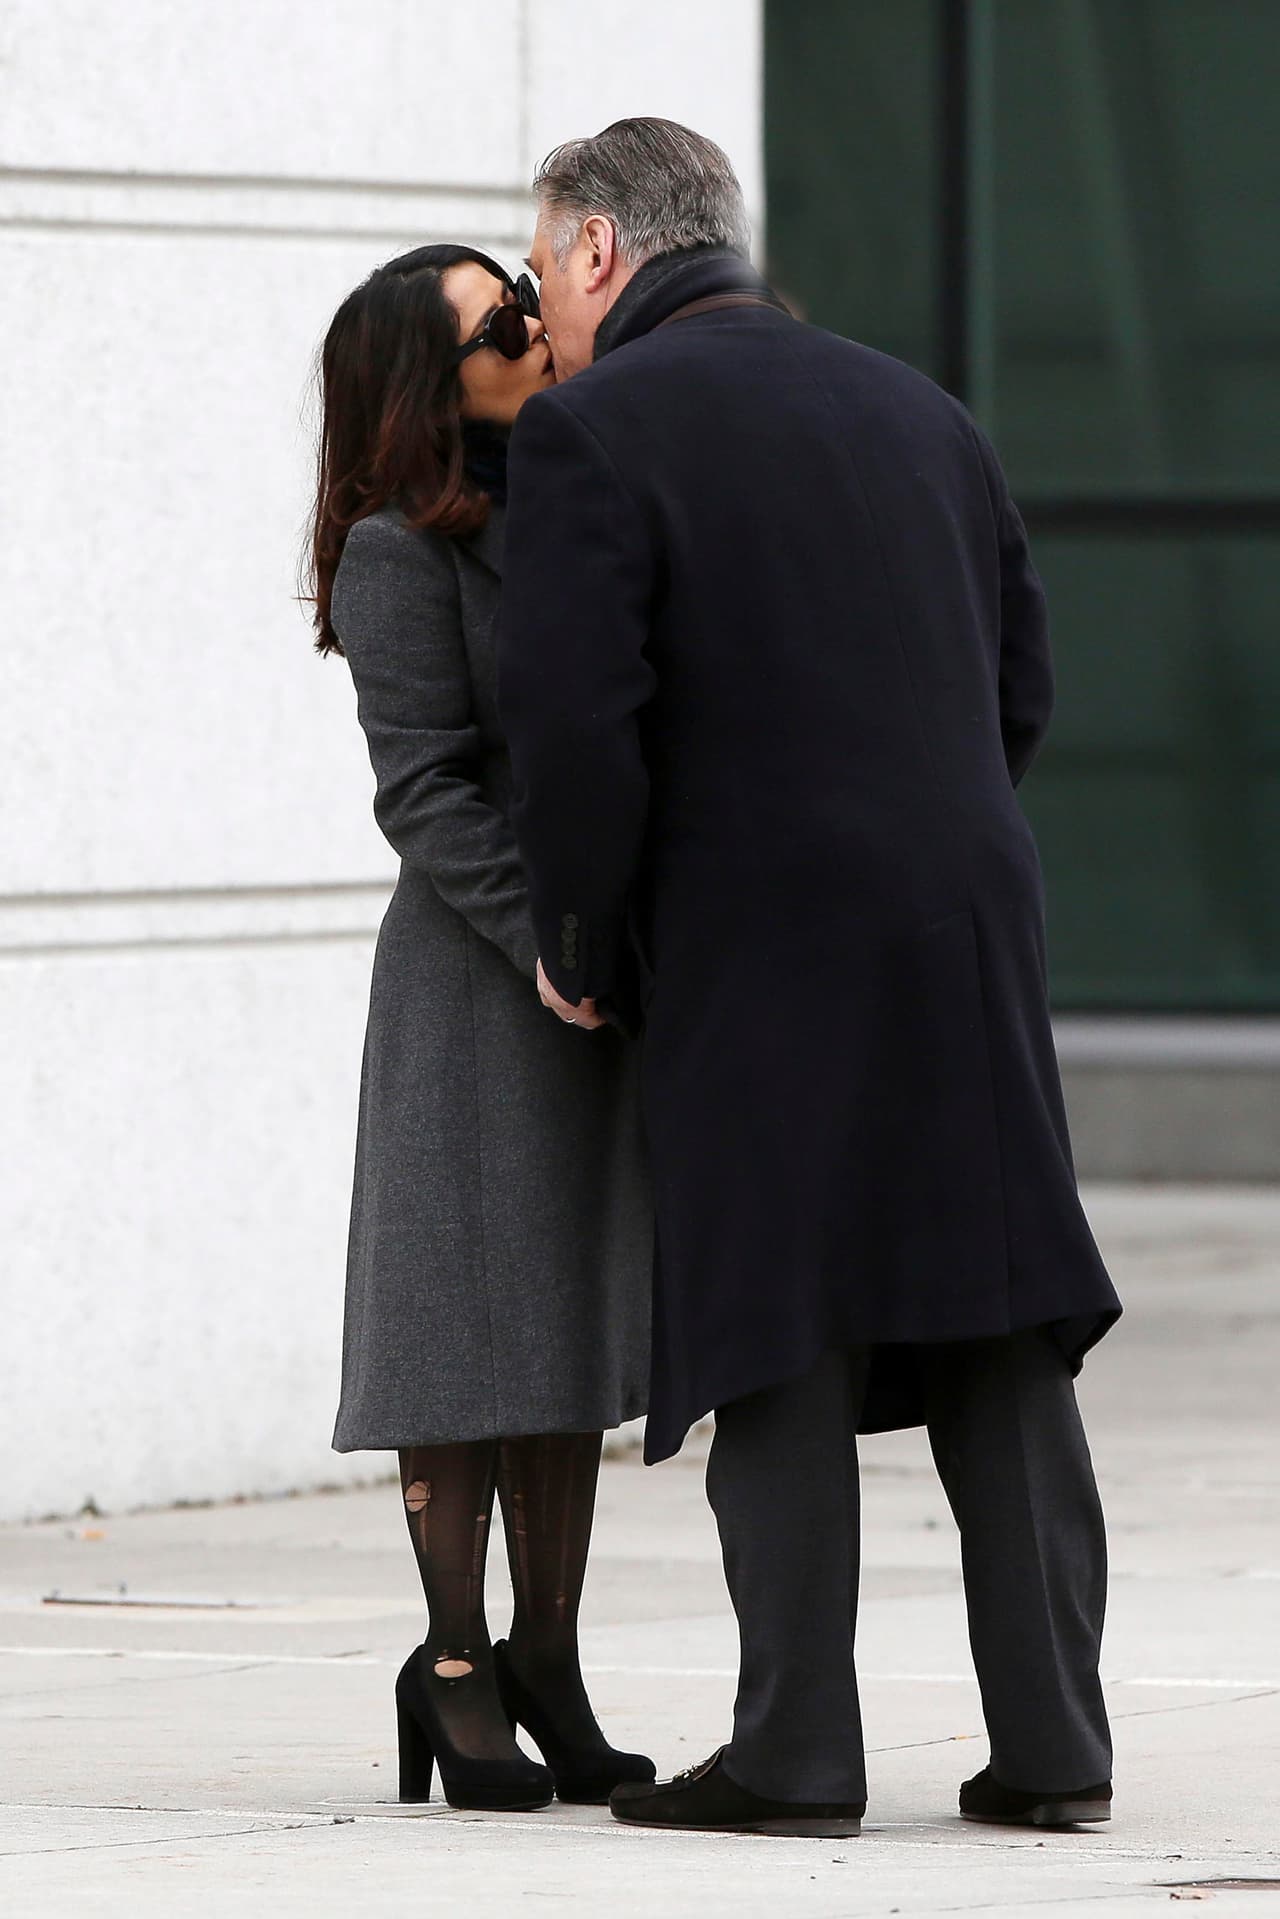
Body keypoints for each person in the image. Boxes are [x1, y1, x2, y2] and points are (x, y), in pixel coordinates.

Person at [496, 119, 1123, 1838]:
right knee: (998, 1312)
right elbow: (1021, 679)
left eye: (545, 264)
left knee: (778, 1312)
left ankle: (796, 1754)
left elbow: (577, 735)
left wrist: (580, 939)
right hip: (965, 909)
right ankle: (1059, 1749)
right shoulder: (921, 409)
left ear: (609, 251)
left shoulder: (591, 431)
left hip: (758, 926)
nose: (539, 304)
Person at [306, 244, 655, 1813]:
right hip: (473, 977)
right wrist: (546, 940)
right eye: (503, 322)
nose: (536, 322)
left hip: (585, 974)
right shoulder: (397, 549)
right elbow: (423, 789)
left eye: (527, 293)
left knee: (565, 1330)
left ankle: (548, 1656)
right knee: (464, 1332)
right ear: (428, 384)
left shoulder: (566, 506)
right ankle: (452, 1664)